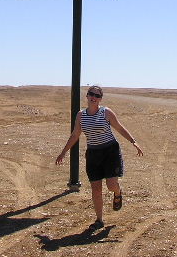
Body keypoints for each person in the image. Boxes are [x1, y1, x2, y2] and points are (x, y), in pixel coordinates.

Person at [56, 85, 143, 230]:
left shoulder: (106, 112)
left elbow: (119, 127)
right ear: (87, 96)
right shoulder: (81, 115)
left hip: (110, 152)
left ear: (100, 98)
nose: (93, 97)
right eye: (91, 94)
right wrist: (64, 152)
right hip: (93, 154)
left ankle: (117, 192)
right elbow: (75, 135)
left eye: (97, 95)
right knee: (96, 188)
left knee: (111, 184)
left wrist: (133, 142)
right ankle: (99, 220)